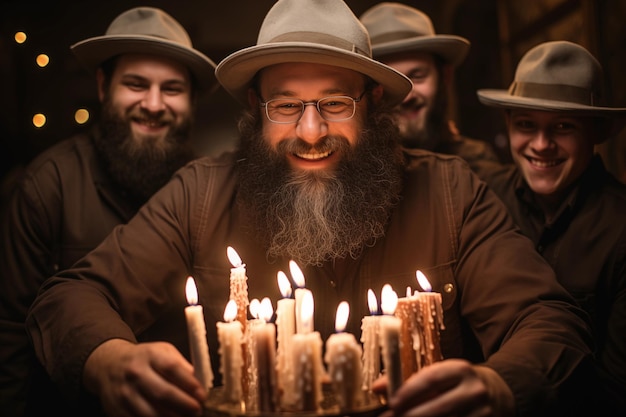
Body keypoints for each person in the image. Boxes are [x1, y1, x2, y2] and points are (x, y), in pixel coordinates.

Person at [26, 1, 592, 416]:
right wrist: (108, 359)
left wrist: (499, 386)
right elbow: (70, 297)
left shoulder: (450, 191)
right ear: (257, 107)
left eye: (336, 103)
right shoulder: (199, 194)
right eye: (288, 105)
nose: (312, 131)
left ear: (372, 106)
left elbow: (549, 321)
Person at [0, 7, 217, 417]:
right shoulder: (47, 185)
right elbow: (9, 334)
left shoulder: (207, 189)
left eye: (171, 89)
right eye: (136, 84)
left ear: (190, 100)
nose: (154, 104)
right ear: (103, 87)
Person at [477, 40, 626, 415]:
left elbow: (617, 389)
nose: (541, 145)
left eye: (563, 127)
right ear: (508, 125)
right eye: (527, 124)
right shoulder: (482, 199)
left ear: (596, 133)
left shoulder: (620, 227)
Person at [360, 2, 500, 175]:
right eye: (390, 81)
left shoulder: (475, 164)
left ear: (445, 76)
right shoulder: (348, 175)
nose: (406, 97)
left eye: (417, 76)